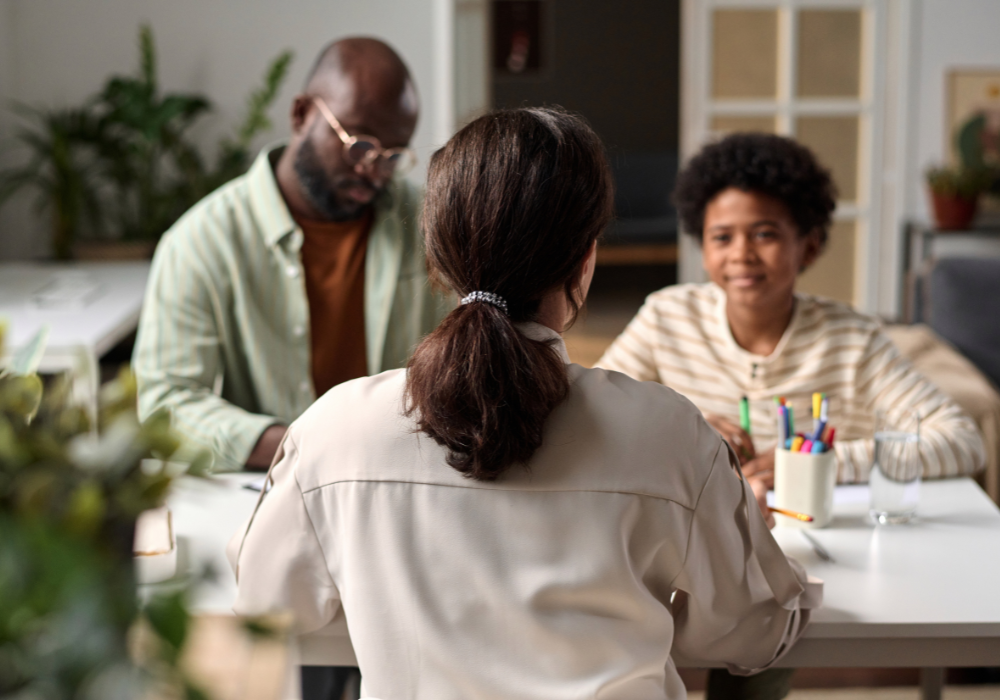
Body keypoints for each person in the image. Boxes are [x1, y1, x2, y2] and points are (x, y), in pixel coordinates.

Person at [229, 108, 821, 700]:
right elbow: (752, 634)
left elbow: (266, 601)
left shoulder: (337, 430)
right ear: (586, 261)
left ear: (437, 259)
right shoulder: (670, 434)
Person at [597, 132, 986, 699]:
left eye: (767, 234)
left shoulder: (851, 338)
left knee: (761, 629)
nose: (742, 255)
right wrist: (688, 423)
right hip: (683, 547)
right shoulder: (667, 316)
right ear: (701, 247)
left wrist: (808, 463)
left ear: (810, 244)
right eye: (722, 237)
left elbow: (962, 440)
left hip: (802, 548)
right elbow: (597, 411)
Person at [133, 38, 451, 472]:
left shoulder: (430, 223)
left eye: (392, 156)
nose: (371, 170)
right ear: (302, 114)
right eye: (358, 144)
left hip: (408, 481)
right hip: (272, 489)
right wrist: (297, 447)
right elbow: (164, 405)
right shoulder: (200, 241)